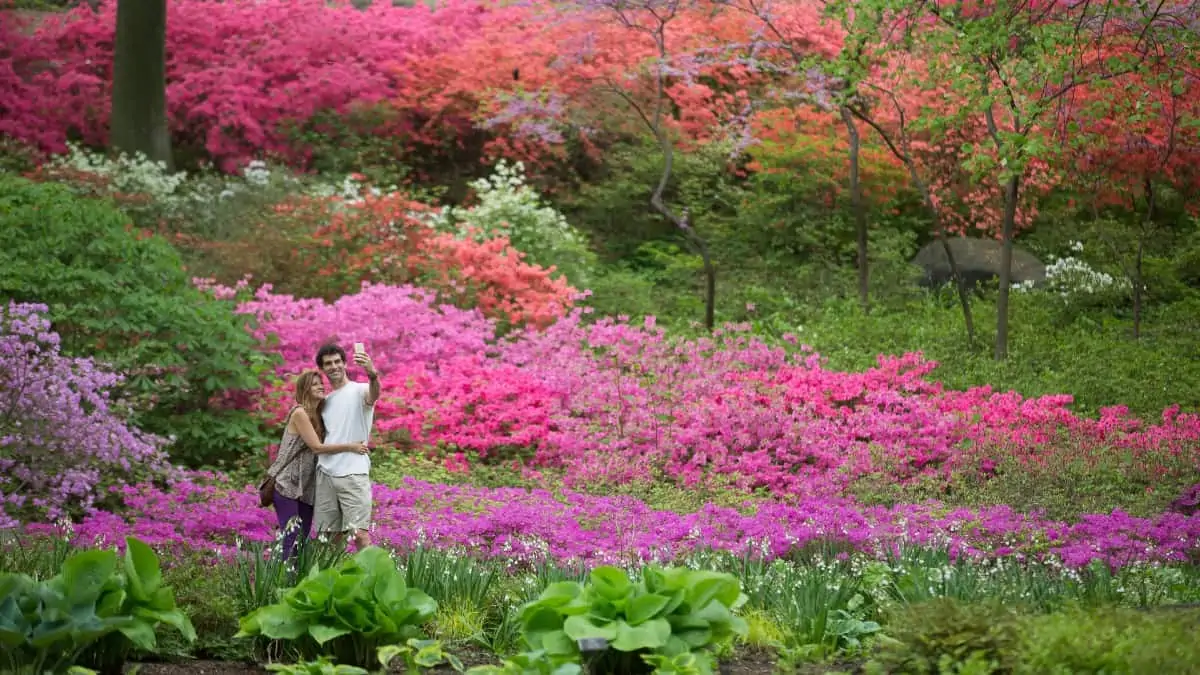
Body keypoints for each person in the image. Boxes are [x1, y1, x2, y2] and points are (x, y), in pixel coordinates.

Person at [267, 370, 370, 559]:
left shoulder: (319, 415)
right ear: (305, 389)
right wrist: (351, 446)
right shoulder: (299, 413)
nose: (321, 386)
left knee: (303, 538)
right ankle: (283, 583)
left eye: (321, 383)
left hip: (306, 487)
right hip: (287, 484)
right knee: (291, 537)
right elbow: (316, 447)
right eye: (315, 384)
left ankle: (298, 583)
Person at [313, 342, 381, 550]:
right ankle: (339, 580)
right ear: (322, 369)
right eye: (328, 364)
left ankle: (371, 580)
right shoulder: (324, 401)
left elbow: (374, 394)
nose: (333, 366)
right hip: (325, 474)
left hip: (353, 472)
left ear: (344, 364)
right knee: (329, 539)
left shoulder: (360, 390)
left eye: (337, 362)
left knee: (359, 534)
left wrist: (372, 374)